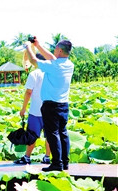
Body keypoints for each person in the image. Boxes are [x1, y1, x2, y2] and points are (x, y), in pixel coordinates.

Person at [24, 38, 74, 171]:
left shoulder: (53, 66)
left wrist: (28, 46)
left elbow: (34, 60)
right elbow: (52, 57)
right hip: (64, 105)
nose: (54, 51)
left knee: (52, 134)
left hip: (51, 106)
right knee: (63, 133)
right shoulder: (69, 65)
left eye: (55, 49)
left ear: (59, 50)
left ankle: (57, 164)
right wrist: (38, 45)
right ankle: (65, 162)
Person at [14, 53, 51, 165]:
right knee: (49, 135)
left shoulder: (34, 74)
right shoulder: (50, 73)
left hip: (36, 111)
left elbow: (28, 92)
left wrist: (23, 108)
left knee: (32, 135)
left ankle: (27, 157)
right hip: (50, 110)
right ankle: (47, 157)